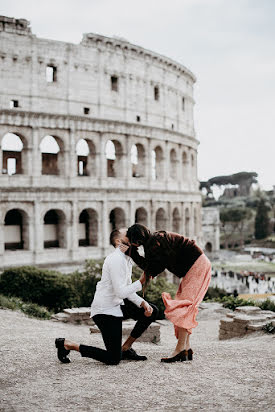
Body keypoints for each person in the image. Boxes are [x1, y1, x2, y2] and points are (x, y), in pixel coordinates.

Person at [55, 228, 158, 365]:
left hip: (118, 305)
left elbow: (126, 290)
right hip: (105, 310)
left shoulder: (127, 259)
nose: (131, 236)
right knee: (113, 358)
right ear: (118, 241)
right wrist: (141, 281)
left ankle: (126, 348)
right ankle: (69, 345)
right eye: (127, 234)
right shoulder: (116, 259)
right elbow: (121, 292)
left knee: (151, 311)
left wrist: (142, 302)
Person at [125, 223, 211, 363]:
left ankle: (180, 350)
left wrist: (132, 253)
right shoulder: (154, 239)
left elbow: (153, 268)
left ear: (136, 240)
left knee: (183, 307)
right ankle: (186, 348)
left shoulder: (155, 242)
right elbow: (153, 266)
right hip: (197, 265)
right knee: (185, 306)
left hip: (196, 265)